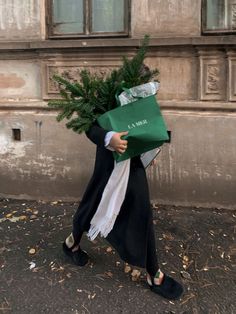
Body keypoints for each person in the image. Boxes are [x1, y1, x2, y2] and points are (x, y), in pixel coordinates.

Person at [63, 123, 183, 300]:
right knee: (94, 203)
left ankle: (154, 272)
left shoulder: (143, 93)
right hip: (109, 159)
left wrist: (148, 148)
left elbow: (146, 118)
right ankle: (71, 242)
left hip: (133, 160)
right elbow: (89, 122)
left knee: (142, 209)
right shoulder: (105, 94)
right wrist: (108, 137)